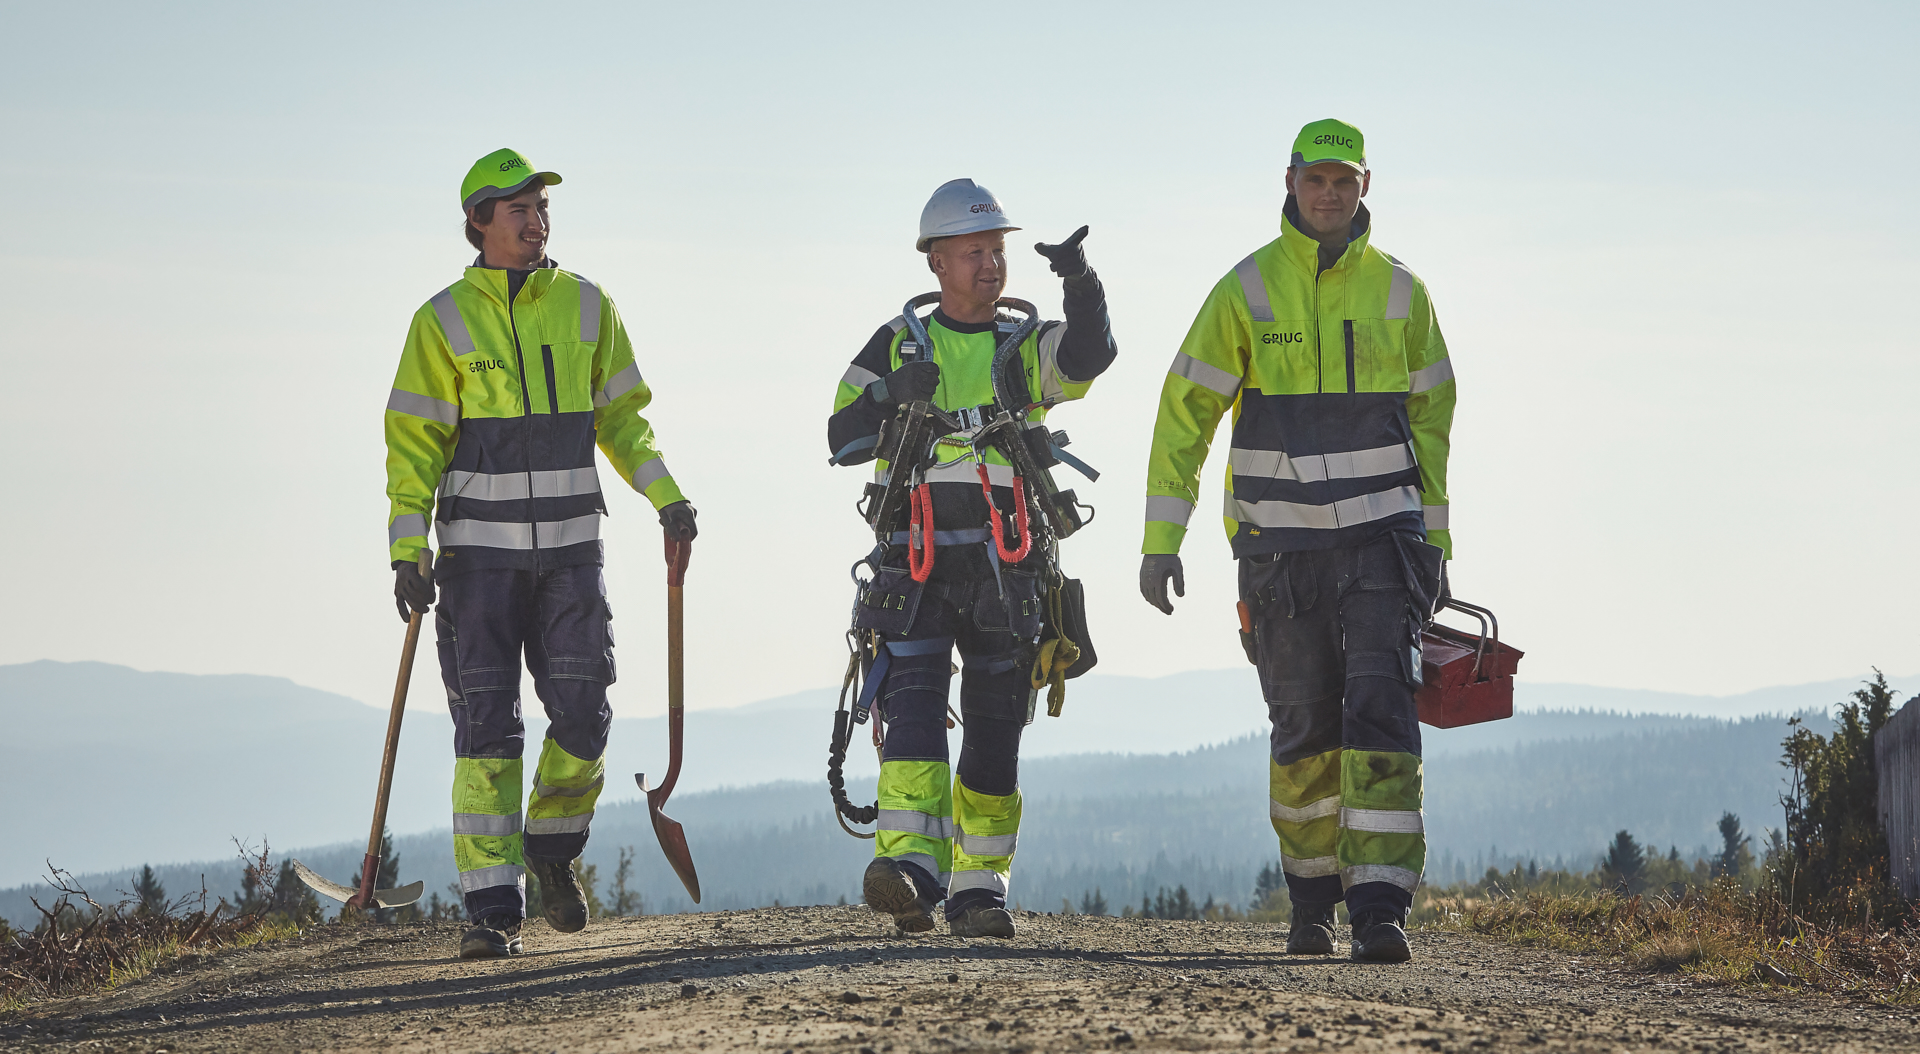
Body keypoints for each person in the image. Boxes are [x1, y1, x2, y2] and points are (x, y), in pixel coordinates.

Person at [1137, 120, 1455, 963]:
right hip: (1280, 552)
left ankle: (1381, 905)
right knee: (1304, 725)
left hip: (1385, 545)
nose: (1329, 194)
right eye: (1316, 179)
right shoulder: (1245, 289)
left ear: (1364, 186)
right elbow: (1186, 413)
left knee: (1382, 713)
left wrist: (1436, 539)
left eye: (1343, 180)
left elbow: (1435, 424)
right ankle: (1313, 901)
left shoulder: (1402, 293)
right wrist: (1160, 539)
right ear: (1290, 180)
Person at [383, 148, 698, 959]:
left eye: (542, 206)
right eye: (517, 207)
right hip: (475, 567)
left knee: (585, 712)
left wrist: (667, 496)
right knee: (486, 730)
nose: (536, 219)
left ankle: (551, 850)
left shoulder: (590, 307)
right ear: (478, 222)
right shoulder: (441, 319)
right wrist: (406, 548)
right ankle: (491, 907)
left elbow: (625, 420)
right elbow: (412, 445)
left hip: (571, 559)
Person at [827, 179, 1117, 937]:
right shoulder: (896, 344)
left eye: (997, 252)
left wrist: (1081, 283)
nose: (990, 266)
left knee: (994, 728)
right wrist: (890, 392)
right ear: (937, 262)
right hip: (914, 566)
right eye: (974, 254)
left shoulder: (1026, 347)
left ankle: (978, 891)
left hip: (1005, 568)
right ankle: (912, 874)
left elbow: (1093, 354)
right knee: (913, 717)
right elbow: (841, 438)